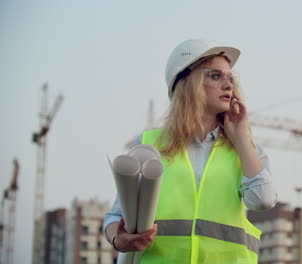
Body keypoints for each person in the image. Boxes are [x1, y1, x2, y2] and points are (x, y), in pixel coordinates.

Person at [103, 39, 277, 263]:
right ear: (186, 83)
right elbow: (115, 217)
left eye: (230, 78)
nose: (228, 85)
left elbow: (262, 201)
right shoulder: (149, 144)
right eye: (216, 76)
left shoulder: (246, 149)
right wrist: (119, 239)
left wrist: (242, 140)